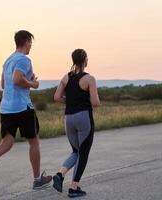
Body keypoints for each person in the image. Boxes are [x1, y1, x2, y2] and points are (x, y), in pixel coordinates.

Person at [0, 30, 52, 197]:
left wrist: (26, 81)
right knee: (34, 141)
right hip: (22, 107)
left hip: (6, 108)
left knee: (6, 144)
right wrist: (33, 83)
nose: (31, 47)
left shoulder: (7, 60)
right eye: (31, 43)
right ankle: (37, 179)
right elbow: (16, 79)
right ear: (27, 42)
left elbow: (3, 84)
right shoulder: (24, 59)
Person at [53, 49, 100, 198]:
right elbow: (95, 103)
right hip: (83, 118)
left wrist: (70, 101)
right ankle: (73, 188)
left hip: (68, 119)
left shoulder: (66, 77)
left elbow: (56, 97)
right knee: (83, 153)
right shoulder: (89, 79)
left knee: (76, 151)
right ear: (85, 60)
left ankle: (60, 174)